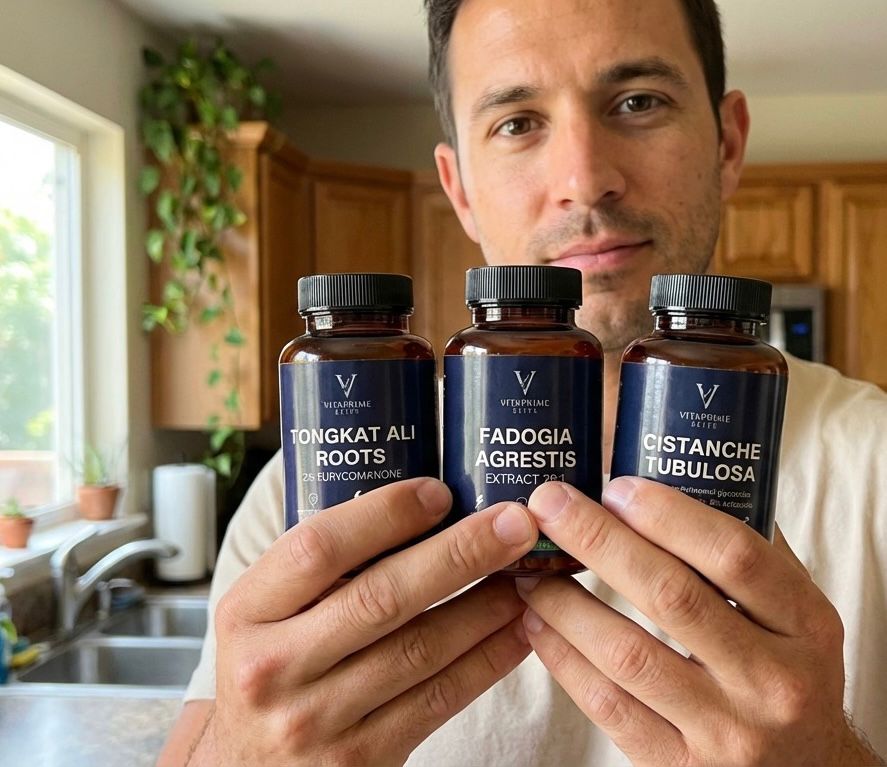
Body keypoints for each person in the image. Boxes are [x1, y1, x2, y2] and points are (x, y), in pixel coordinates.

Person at [160, 0, 887, 764]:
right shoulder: (309, 496)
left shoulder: (872, 464)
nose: (584, 180)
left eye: (638, 102)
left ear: (726, 143)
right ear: (459, 189)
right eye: (516, 122)